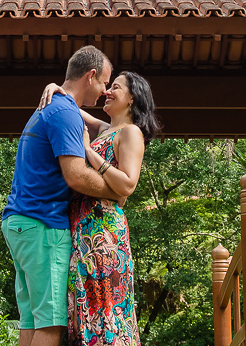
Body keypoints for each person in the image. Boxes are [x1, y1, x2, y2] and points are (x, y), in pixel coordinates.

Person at [2, 46, 118, 346]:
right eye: (105, 82)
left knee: (32, 322)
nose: (105, 91)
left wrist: (67, 97)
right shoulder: (65, 114)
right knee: (52, 325)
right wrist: (114, 193)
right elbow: (75, 174)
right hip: (43, 227)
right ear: (91, 76)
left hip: (20, 224)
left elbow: (107, 128)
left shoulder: (52, 108)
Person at [39, 70, 161, 346]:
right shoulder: (106, 130)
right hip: (81, 228)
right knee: (83, 305)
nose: (107, 91)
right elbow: (71, 105)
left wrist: (89, 153)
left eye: (115, 87)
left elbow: (128, 185)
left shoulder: (131, 133)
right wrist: (56, 87)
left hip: (104, 233)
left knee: (106, 306)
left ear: (132, 98)